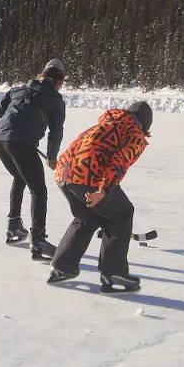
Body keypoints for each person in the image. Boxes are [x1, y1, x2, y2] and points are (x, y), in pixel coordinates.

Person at [47, 102, 152, 293]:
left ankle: (63, 266)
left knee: (88, 217)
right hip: (88, 177)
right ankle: (114, 274)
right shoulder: (134, 133)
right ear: (144, 126)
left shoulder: (106, 124)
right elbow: (119, 163)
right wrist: (104, 190)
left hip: (63, 174)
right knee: (122, 214)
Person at [0, 59, 67, 260]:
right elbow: (56, 131)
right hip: (20, 143)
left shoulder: (19, 89)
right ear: (56, 81)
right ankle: (38, 239)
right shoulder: (56, 100)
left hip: (0, 140)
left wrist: (17, 125)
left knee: (20, 178)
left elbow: (0, 110)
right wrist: (52, 157)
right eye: (61, 83)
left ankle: (14, 226)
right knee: (38, 189)